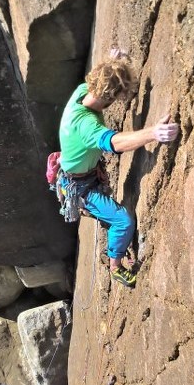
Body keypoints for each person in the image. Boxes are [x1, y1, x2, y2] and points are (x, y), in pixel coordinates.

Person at [58, 51, 179, 287]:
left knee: (109, 210)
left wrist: (112, 65)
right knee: (123, 221)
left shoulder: (81, 93)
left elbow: (98, 79)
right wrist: (153, 133)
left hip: (82, 174)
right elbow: (114, 143)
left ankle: (96, 211)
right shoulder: (86, 125)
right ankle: (115, 266)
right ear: (112, 99)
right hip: (80, 187)